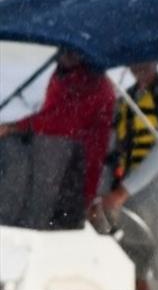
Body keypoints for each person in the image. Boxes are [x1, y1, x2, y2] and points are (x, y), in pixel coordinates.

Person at [100, 60, 158, 290]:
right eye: (134, 58)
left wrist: (121, 192)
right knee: (132, 274)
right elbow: (111, 154)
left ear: (157, 60)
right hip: (132, 204)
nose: (139, 63)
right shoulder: (124, 101)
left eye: (145, 58)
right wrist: (101, 197)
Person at [0, 48, 116, 209]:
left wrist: (15, 127)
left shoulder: (95, 83)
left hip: (77, 174)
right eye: (63, 48)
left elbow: (62, 123)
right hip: (52, 168)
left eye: (72, 50)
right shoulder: (62, 75)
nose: (65, 54)